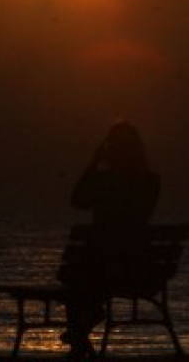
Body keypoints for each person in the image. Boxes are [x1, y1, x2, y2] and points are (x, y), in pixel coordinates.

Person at [60, 121, 160, 359]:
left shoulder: (105, 181)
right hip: (138, 267)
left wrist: (94, 164)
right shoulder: (151, 181)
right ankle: (79, 336)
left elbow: (77, 200)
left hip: (105, 268)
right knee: (77, 274)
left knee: (73, 275)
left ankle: (79, 336)